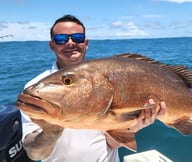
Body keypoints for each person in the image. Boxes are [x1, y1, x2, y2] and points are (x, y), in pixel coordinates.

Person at [21, 14, 166, 162]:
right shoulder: (36, 91)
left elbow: (111, 143)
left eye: (77, 37)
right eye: (61, 39)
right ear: (52, 45)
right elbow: (35, 154)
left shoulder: (101, 78)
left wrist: (135, 126)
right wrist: (50, 132)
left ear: (86, 43)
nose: (70, 43)